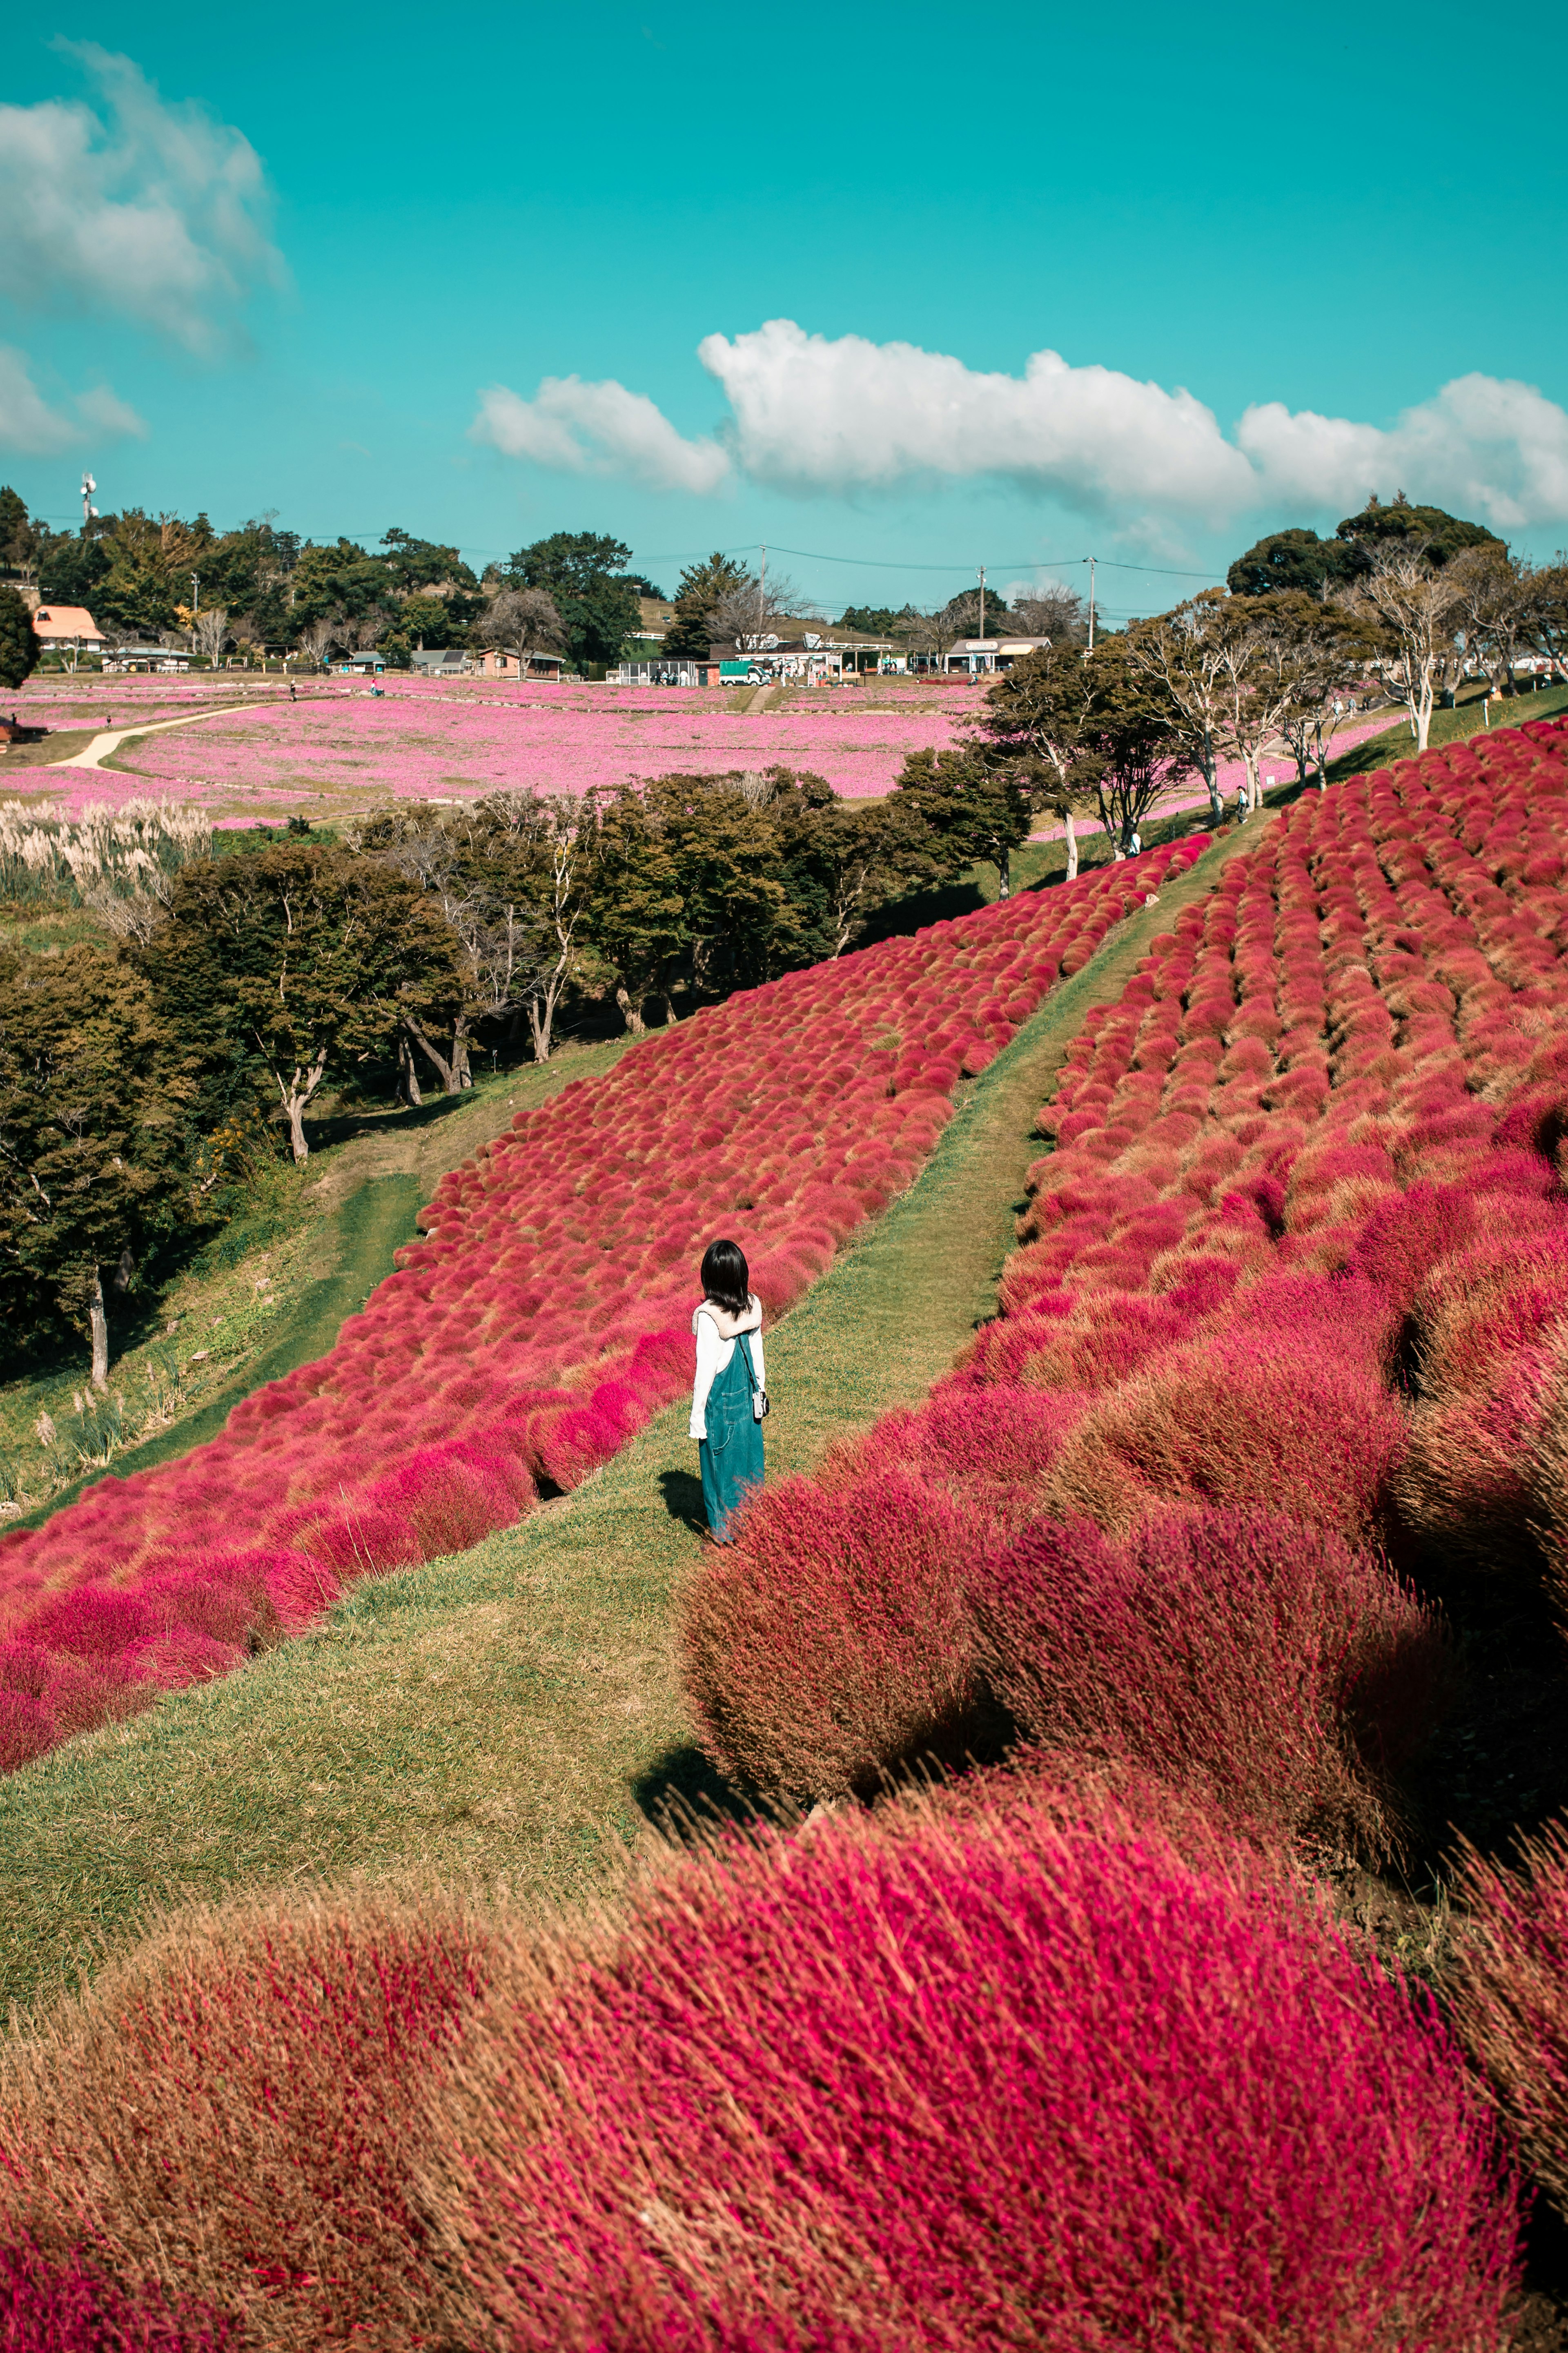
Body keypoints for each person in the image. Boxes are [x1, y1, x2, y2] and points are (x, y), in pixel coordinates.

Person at [690, 1237, 765, 1545]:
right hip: (748, 1400)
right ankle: (753, 1526)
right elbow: (757, 1355)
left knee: (719, 1471)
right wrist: (760, 1390)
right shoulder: (751, 1305)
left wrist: (697, 1417)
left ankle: (726, 1538)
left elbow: (705, 1373)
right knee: (749, 1466)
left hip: (722, 1407)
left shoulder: (710, 1317)